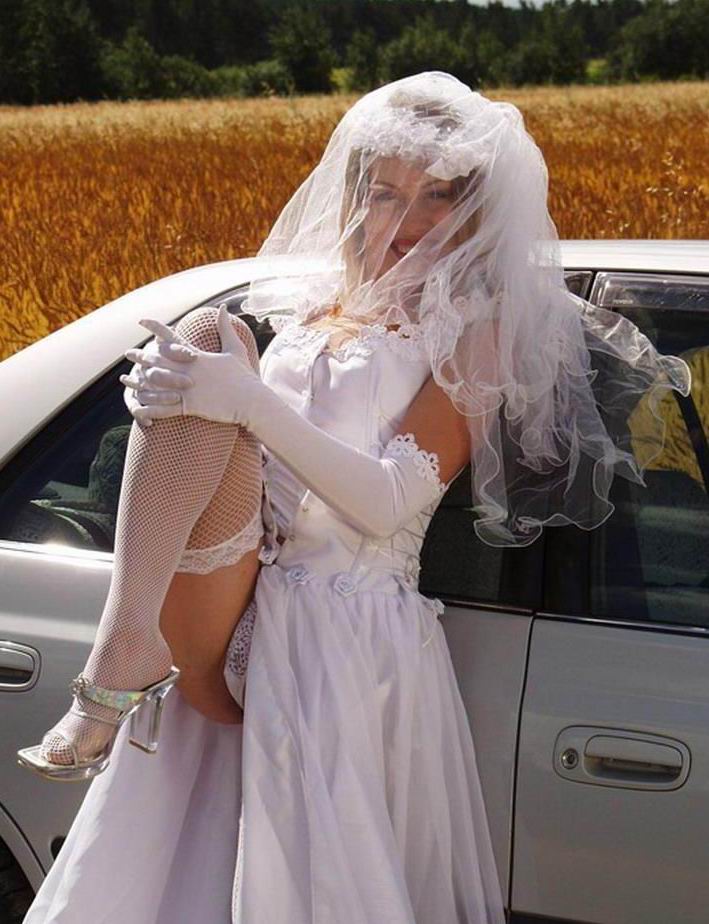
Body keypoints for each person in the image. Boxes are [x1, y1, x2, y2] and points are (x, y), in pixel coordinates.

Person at [18, 72, 690, 923]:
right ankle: (124, 653)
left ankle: (121, 671)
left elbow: (386, 501)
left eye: (438, 196)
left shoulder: (478, 330)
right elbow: (251, 444)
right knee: (207, 333)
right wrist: (187, 401)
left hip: (339, 630)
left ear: (478, 209)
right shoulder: (312, 307)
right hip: (239, 591)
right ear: (355, 199)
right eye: (385, 193)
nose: (407, 219)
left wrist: (245, 402)